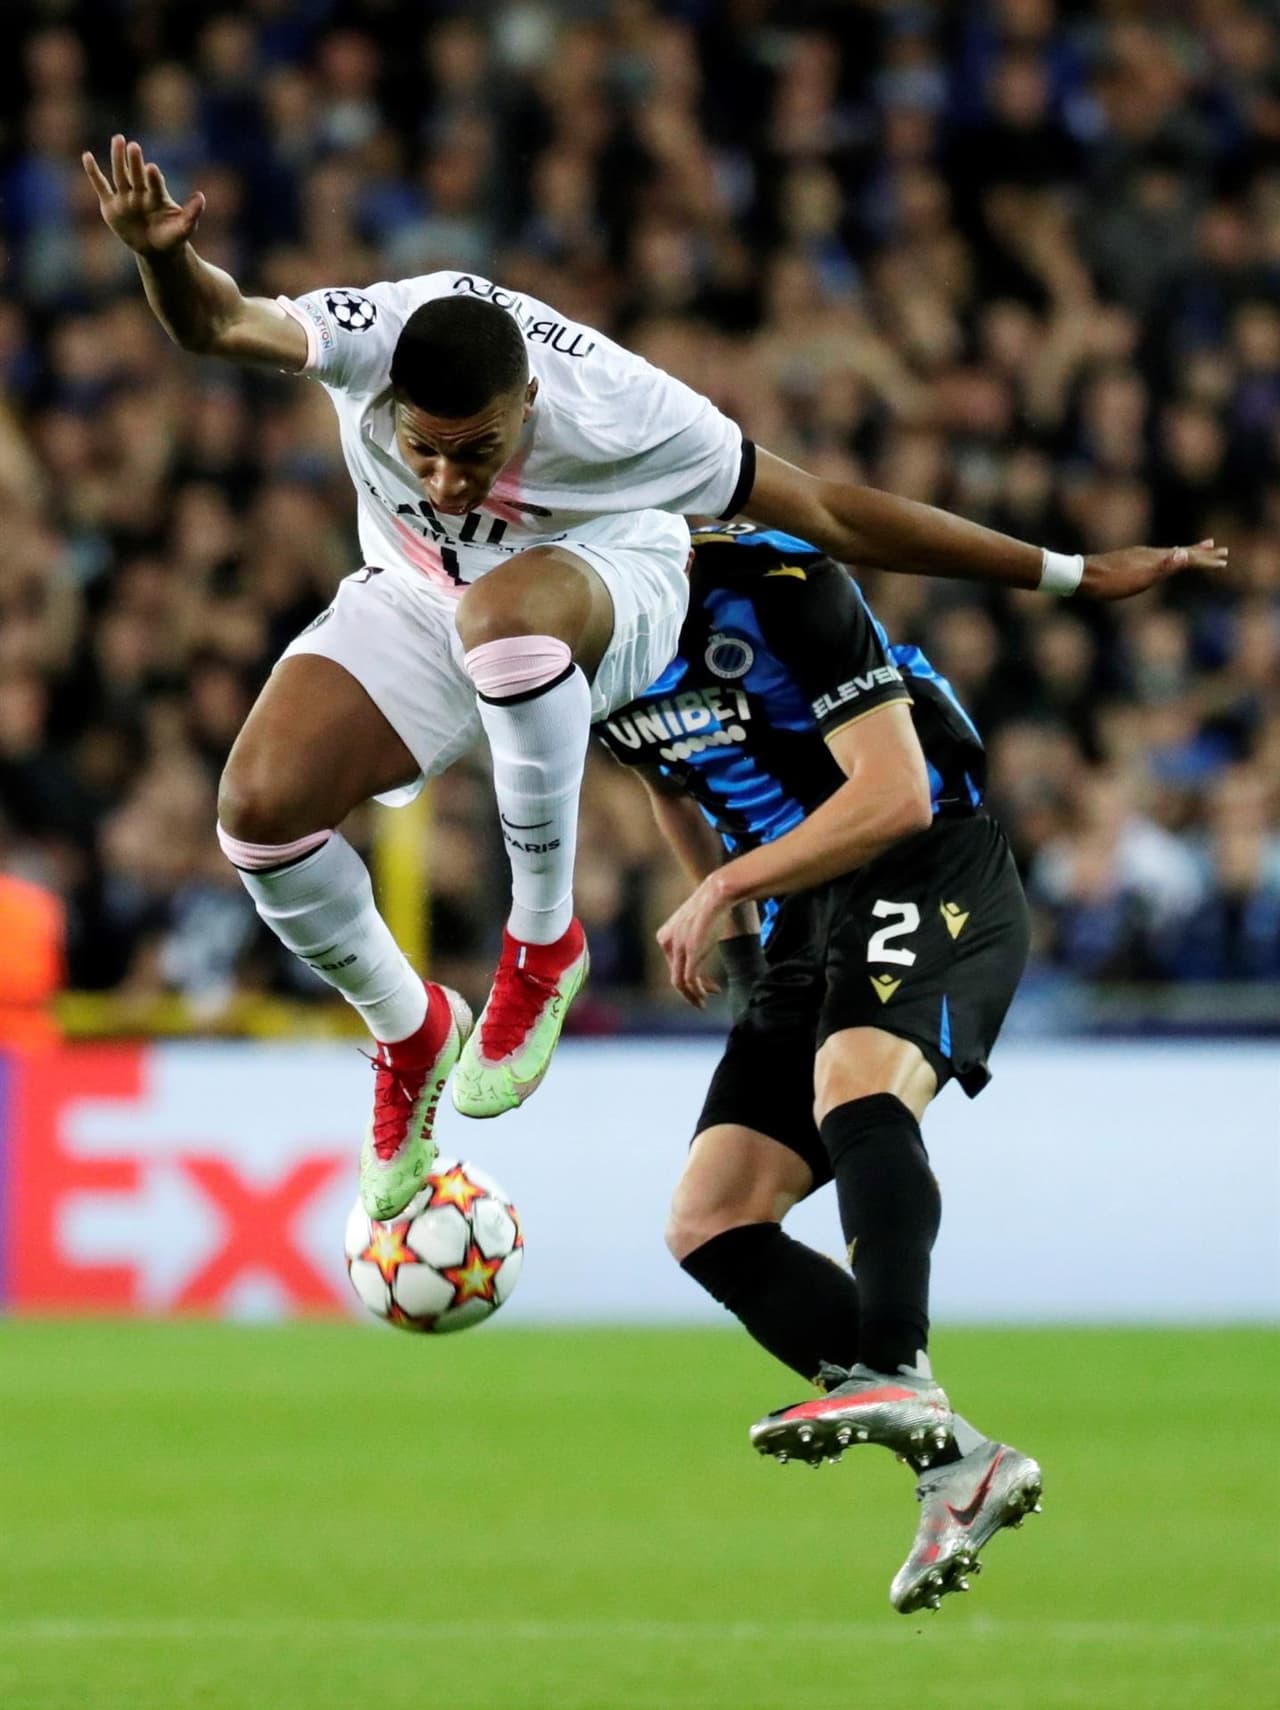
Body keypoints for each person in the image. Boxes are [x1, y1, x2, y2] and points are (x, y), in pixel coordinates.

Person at [83, 135, 1226, 1228]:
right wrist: (159, 256)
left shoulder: (625, 413)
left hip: (614, 584)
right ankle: (410, 1030)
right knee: (258, 815)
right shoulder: (373, 337)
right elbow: (220, 321)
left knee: (508, 618)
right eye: (418, 449)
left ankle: (542, 944)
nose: (444, 475)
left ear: (527, 404)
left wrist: (1067, 573)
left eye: (473, 452)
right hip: (418, 596)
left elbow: (828, 510)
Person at [596, 522, 1043, 1612]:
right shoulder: (592, 633)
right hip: (800, 915)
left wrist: (715, 892)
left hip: (926, 852)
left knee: (854, 1074)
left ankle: (893, 1366)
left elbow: (895, 794)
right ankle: (959, 1461)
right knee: (711, 1218)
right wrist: (748, 953)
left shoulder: (779, 584)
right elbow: (668, 778)